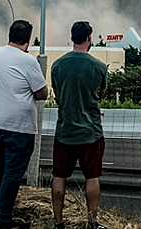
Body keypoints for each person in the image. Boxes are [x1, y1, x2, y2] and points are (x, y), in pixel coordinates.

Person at [0, 20, 49, 229]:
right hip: (17, 127)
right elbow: (42, 93)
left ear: (9, 35)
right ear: (29, 40)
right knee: (12, 173)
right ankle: (3, 219)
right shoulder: (27, 61)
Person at [50, 21, 108, 229]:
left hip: (64, 130)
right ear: (89, 38)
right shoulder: (98, 67)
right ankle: (92, 222)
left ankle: (58, 222)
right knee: (92, 176)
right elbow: (100, 95)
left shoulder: (57, 65)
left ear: (72, 37)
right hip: (90, 131)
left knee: (59, 176)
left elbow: (57, 95)